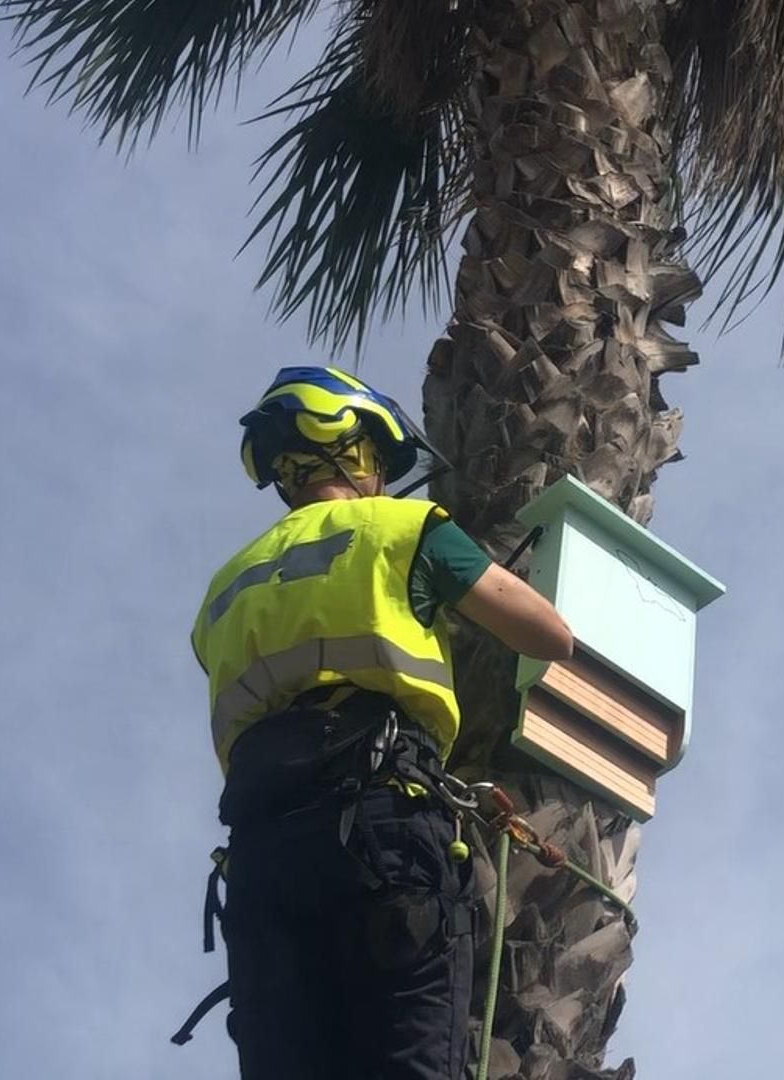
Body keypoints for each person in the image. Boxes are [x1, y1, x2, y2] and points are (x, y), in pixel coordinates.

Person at [189, 366, 573, 1079]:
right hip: (383, 828)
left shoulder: (227, 585)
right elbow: (548, 635)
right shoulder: (402, 527)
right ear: (357, 445)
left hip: (262, 857)